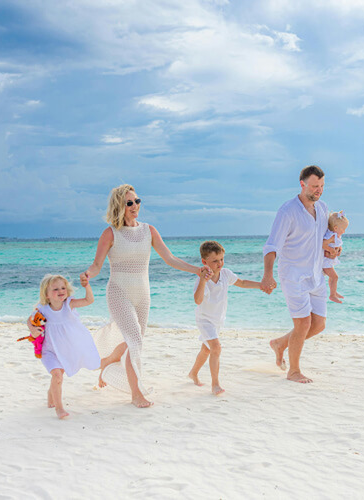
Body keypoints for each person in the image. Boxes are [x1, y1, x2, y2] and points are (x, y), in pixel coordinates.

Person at [83, 184, 212, 408]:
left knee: (135, 342)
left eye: (137, 201)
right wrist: (87, 275)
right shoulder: (110, 233)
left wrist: (197, 270)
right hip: (118, 292)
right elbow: (96, 265)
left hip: (142, 295)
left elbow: (170, 258)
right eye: (129, 203)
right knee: (134, 340)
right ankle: (136, 394)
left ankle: (108, 361)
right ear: (119, 206)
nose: (135, 206)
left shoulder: (149, 231)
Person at [261, 165, 339, 384]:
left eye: (322, 186)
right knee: (303, 324)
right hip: (293, 276)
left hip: (316, 275)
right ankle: (294, 371)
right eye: (314, 186)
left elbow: (322, 238)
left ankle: (280, 344)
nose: (319, 190)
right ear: (302, 184)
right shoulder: (288, 211)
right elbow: (271, 246)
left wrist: (333, 248)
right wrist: (268, 275)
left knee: (319, 324)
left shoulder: (323, 208)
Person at [25, 274, 115, 419]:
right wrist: (33, 330)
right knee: (57, 375)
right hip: (49, 350)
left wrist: (87, 286)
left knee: (58, 376)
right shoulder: (42, 309)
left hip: (66, 349)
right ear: (46, 295)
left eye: (63, 288)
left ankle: (51, 394)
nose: (61, 291)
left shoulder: (69, 304)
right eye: (55, 289)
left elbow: (89, 300)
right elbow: (29, 320)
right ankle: (59, 408)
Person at [188, 241, 265, 395]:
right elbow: (197, 300)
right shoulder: (202, 279)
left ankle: (193, 373)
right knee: (216, 348)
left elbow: (242, 283)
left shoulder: (226, 274)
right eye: (215, 261)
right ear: (204, 262)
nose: (220, 264)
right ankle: (215, 384)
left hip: (218, 320)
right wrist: (203, 280)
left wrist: (260, 285)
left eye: (222, 259)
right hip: (204, 320)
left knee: (206, 349)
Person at [322, 210, 349, 303]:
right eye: (343, 229)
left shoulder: (337, 236)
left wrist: (339, 248)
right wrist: (331, 250)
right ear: (336, 228)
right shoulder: (332, 236)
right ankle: (332, 295)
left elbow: (337, 244)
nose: (344, 231)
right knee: (335, 277)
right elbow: (323, 244)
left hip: (329, 261)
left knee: (332, 277)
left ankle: (333, 292)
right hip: (325, 261)